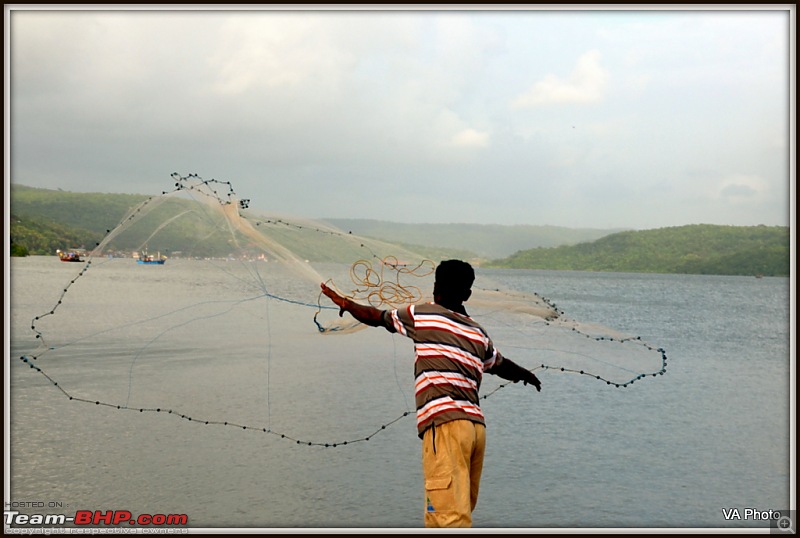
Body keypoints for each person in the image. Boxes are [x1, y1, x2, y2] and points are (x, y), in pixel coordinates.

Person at [320, 259, 541, 528]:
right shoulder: (478, 333)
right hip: (474, 431)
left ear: (435, 287)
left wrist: (345, 303)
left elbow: (375, 317)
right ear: (467, 294)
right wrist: (526, 375)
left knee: (447, 518)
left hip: (445, 425)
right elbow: (500, 365)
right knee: (457, 512)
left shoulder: (423, 315)